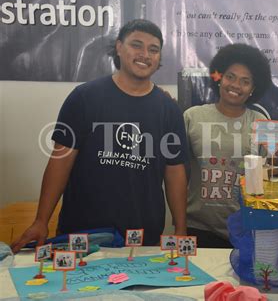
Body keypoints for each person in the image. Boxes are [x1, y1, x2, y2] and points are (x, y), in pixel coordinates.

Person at [11, 19, 188, 252]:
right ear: (118, 47)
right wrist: (41, 220)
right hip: (81, 236)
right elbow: (60, 161)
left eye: (153, 49)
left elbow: (174, 171)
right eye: (136, 45)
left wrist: (181, 228)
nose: (145, 54)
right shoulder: (84, 97)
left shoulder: (169, 109)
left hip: (143, 239)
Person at [184, 43, 272, 248]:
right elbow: (176, 173)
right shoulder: (192, 117)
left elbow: (271, 175)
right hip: (198, 227)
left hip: (245, 228)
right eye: (230, 77)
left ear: (253, 89)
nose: (235, 85)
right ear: (219, 77)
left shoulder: (261, 122)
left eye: (245, 81)